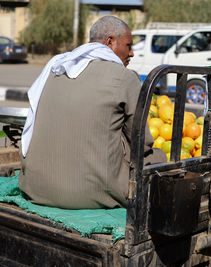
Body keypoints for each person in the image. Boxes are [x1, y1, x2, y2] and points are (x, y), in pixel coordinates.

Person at [19, 16, 166, 209]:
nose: (131, 53)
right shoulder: (124, 77)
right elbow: (143, 142)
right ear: (110, 41)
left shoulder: (56, 68)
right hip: (90, 194)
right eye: (128, 45)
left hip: (34, 188)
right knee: (159, 157)